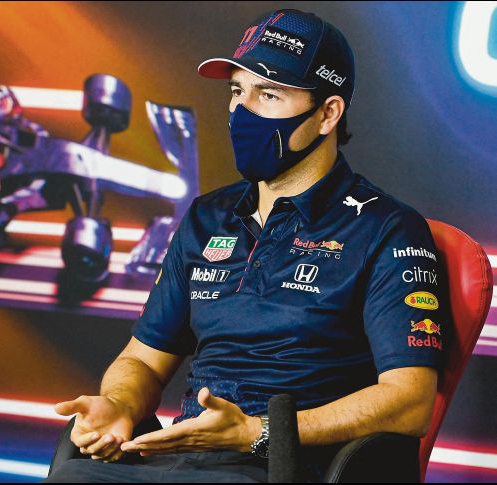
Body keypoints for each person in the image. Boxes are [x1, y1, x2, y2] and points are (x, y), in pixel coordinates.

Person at [46, 8, 447, 483]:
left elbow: (410, 401)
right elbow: (142, 360)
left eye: (268, 94)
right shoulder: (206, 216)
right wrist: (119, 404)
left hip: (287, 469)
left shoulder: (387, 228)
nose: (242, 111)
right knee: (74, 477)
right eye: (237, 91)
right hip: (179, 459)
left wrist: (258, 433)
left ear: (327, 114)